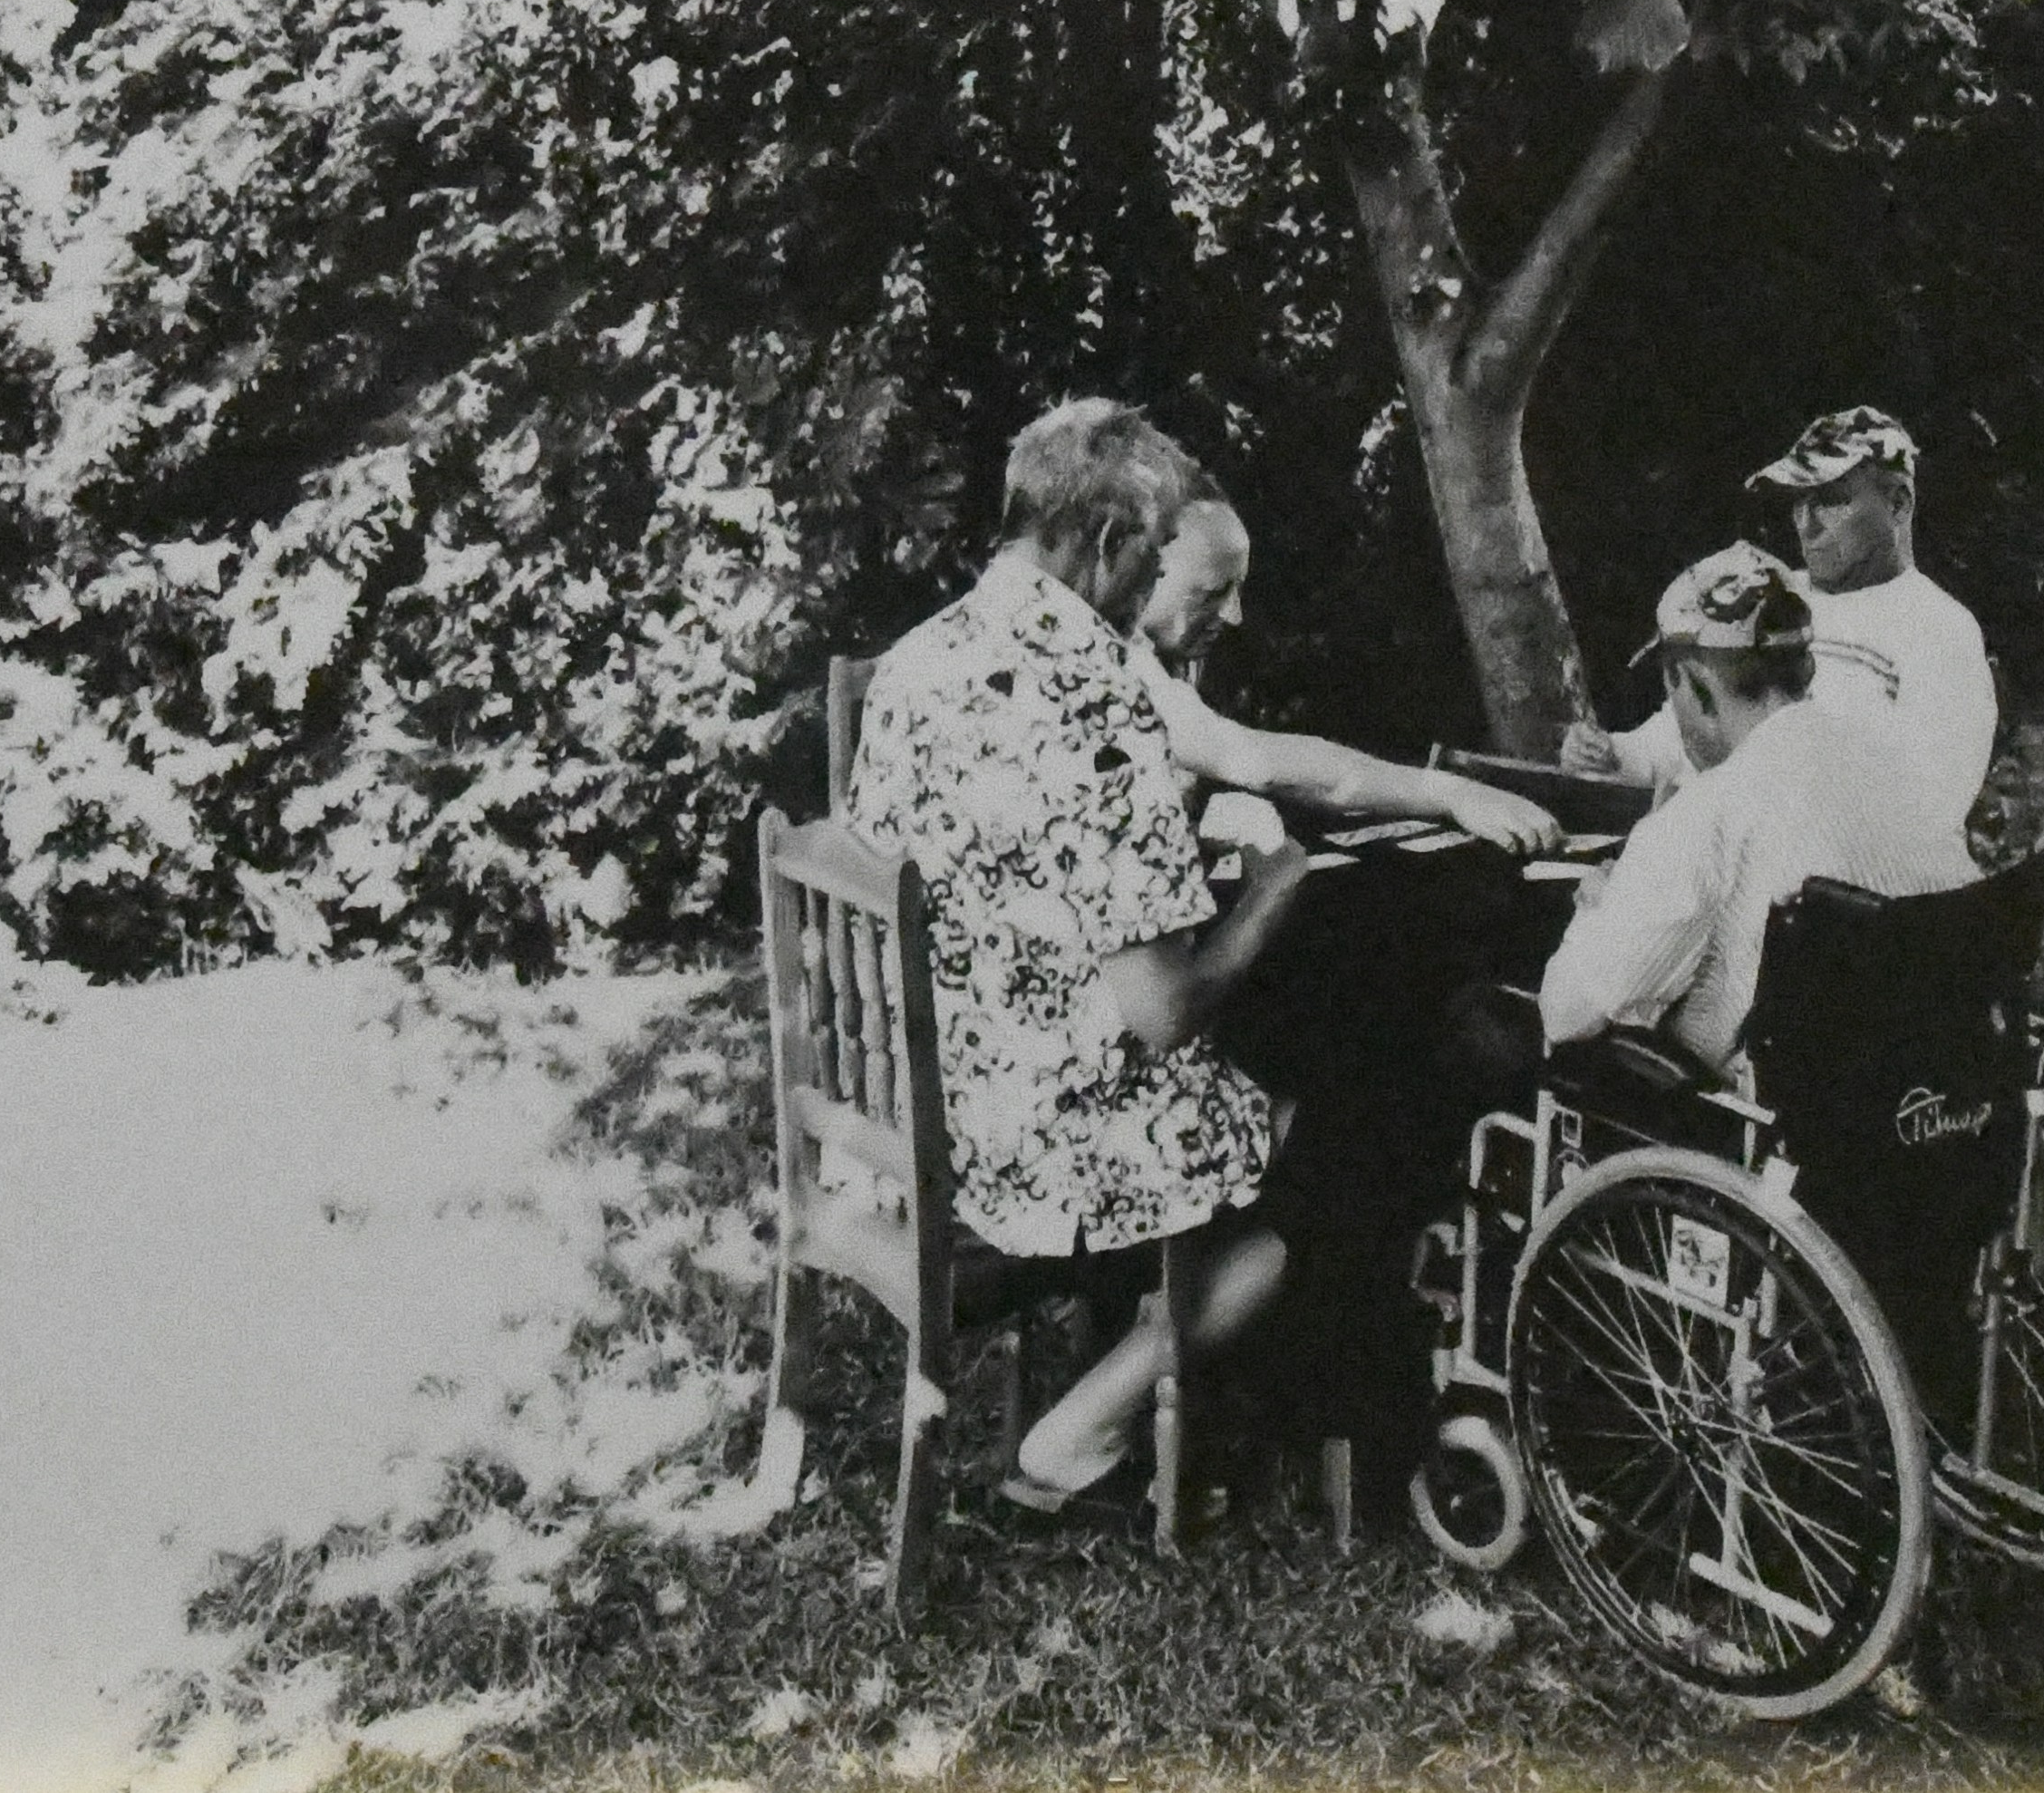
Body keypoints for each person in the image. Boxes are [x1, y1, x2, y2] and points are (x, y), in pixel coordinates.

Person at [845, 397, 1298, 1523]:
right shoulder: (1094, 702)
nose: (1150, 589)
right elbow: (1163, 1008)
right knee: (1292, 1196)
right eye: (1150, 556)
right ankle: (1070, 1439)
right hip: (1019, 1141)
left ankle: (1133, 1361)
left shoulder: (916, 660)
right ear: (1104, 541)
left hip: (919, 1097)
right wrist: (1271, 896)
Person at [1535, 543, 1981, 1072]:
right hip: (1930, 1081)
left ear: (1698, 689)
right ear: (1807, 669)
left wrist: (1597, 908)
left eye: (1671, 691)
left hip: (1779, 1111)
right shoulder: (1897, 773)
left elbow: (1564, 1015)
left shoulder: (1708, 815)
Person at [1564, 405, 1997, 829]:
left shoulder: (1939, 628)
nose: (1806, 525)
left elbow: (1934, 806)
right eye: (1798, 503)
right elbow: (1691, 726)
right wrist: (1614, 757)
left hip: (1815, 870)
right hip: (1705, 842)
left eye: (1831, 501)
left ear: (1898, 504)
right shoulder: (1771, 594)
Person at [1129, 492, 1565, 858]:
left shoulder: (1170, 648)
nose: (1234, 615)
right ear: (1144, 569)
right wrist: (1454, 794)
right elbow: (1255, 762)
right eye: (1212, 592)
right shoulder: (1115, 655)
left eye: (1237, 589)